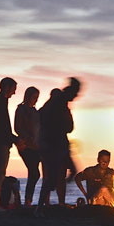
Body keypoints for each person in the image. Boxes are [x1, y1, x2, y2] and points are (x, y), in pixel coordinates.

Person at [37, 78, 81, 210]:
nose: (77, 96)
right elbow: (67, 126)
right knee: (53, 178)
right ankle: (40, 206)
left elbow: (69, 127)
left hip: (59, 144)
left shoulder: (59, 104)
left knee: (68, 172)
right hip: (54, 145)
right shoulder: (58, 103)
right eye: (76, 93)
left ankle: (48, 201)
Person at [0, 77, 19, 211]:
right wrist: (15, 139)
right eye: (13, 89)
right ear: (7, 87)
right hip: (0, 142)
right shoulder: (0, 102)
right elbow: (3, 127)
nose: (14, 93)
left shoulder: (0, 101)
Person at [15, 87, 41, 207]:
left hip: (36, 146)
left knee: (34, 173)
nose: (35, 100)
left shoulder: (36, 112)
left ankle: (29, 200)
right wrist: (27, 138)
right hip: (26, 145)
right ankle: (28, 201)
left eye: (37, 98)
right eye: (34, 97)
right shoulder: (21, 109)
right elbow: (17, 127)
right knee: (34, 172)